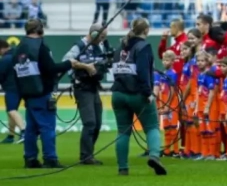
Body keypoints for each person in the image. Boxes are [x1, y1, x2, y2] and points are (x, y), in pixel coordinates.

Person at [13, 19, 94, 168]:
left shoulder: (19, 47)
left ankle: (30, 159)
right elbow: (50, 68)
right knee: (47, 127)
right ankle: (50, 158)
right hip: (43, 92)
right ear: (40, 30)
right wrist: (69, 63)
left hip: (28, 94)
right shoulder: (40, 47)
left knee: (31, 129)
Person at [111, 17, 167, 176]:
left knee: (123, 131)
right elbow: (143, 72)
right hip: (137, 94)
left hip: (118, 93)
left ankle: (123, 168)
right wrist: (148, 93)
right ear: (146, 30)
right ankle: (154, 156)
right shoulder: (144, 47)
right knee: (152, 127)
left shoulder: (120, 46)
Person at [62, 23, 111, 164]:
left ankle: (89, 154)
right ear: (94, 34)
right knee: (90, 122)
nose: (102, 40)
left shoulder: (100, 46)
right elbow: (66, 61)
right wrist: (85, 66)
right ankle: (85, 156)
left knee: (98, 123)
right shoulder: (79, 46)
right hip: (82, 88)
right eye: (101, 36)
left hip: (94, 87)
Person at [0, 39, 25, 144]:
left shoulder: (5, 59)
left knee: (11, 110)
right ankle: (11, 136)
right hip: (23, 86)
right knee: (11, 111)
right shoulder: (18, 54)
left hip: (12, 88)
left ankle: (24, 132)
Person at [156, 51, 180, 157]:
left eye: (167, 60)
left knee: (173, 127)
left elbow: (171, 90)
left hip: (172, 104)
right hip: (164, 103)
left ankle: (176, 151)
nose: (165, 62)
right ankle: (167, 150)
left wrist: (167, 105)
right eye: (164, 60)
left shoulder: (172, 73)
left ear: (172, 61)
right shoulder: (163, 73)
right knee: (166, 128)